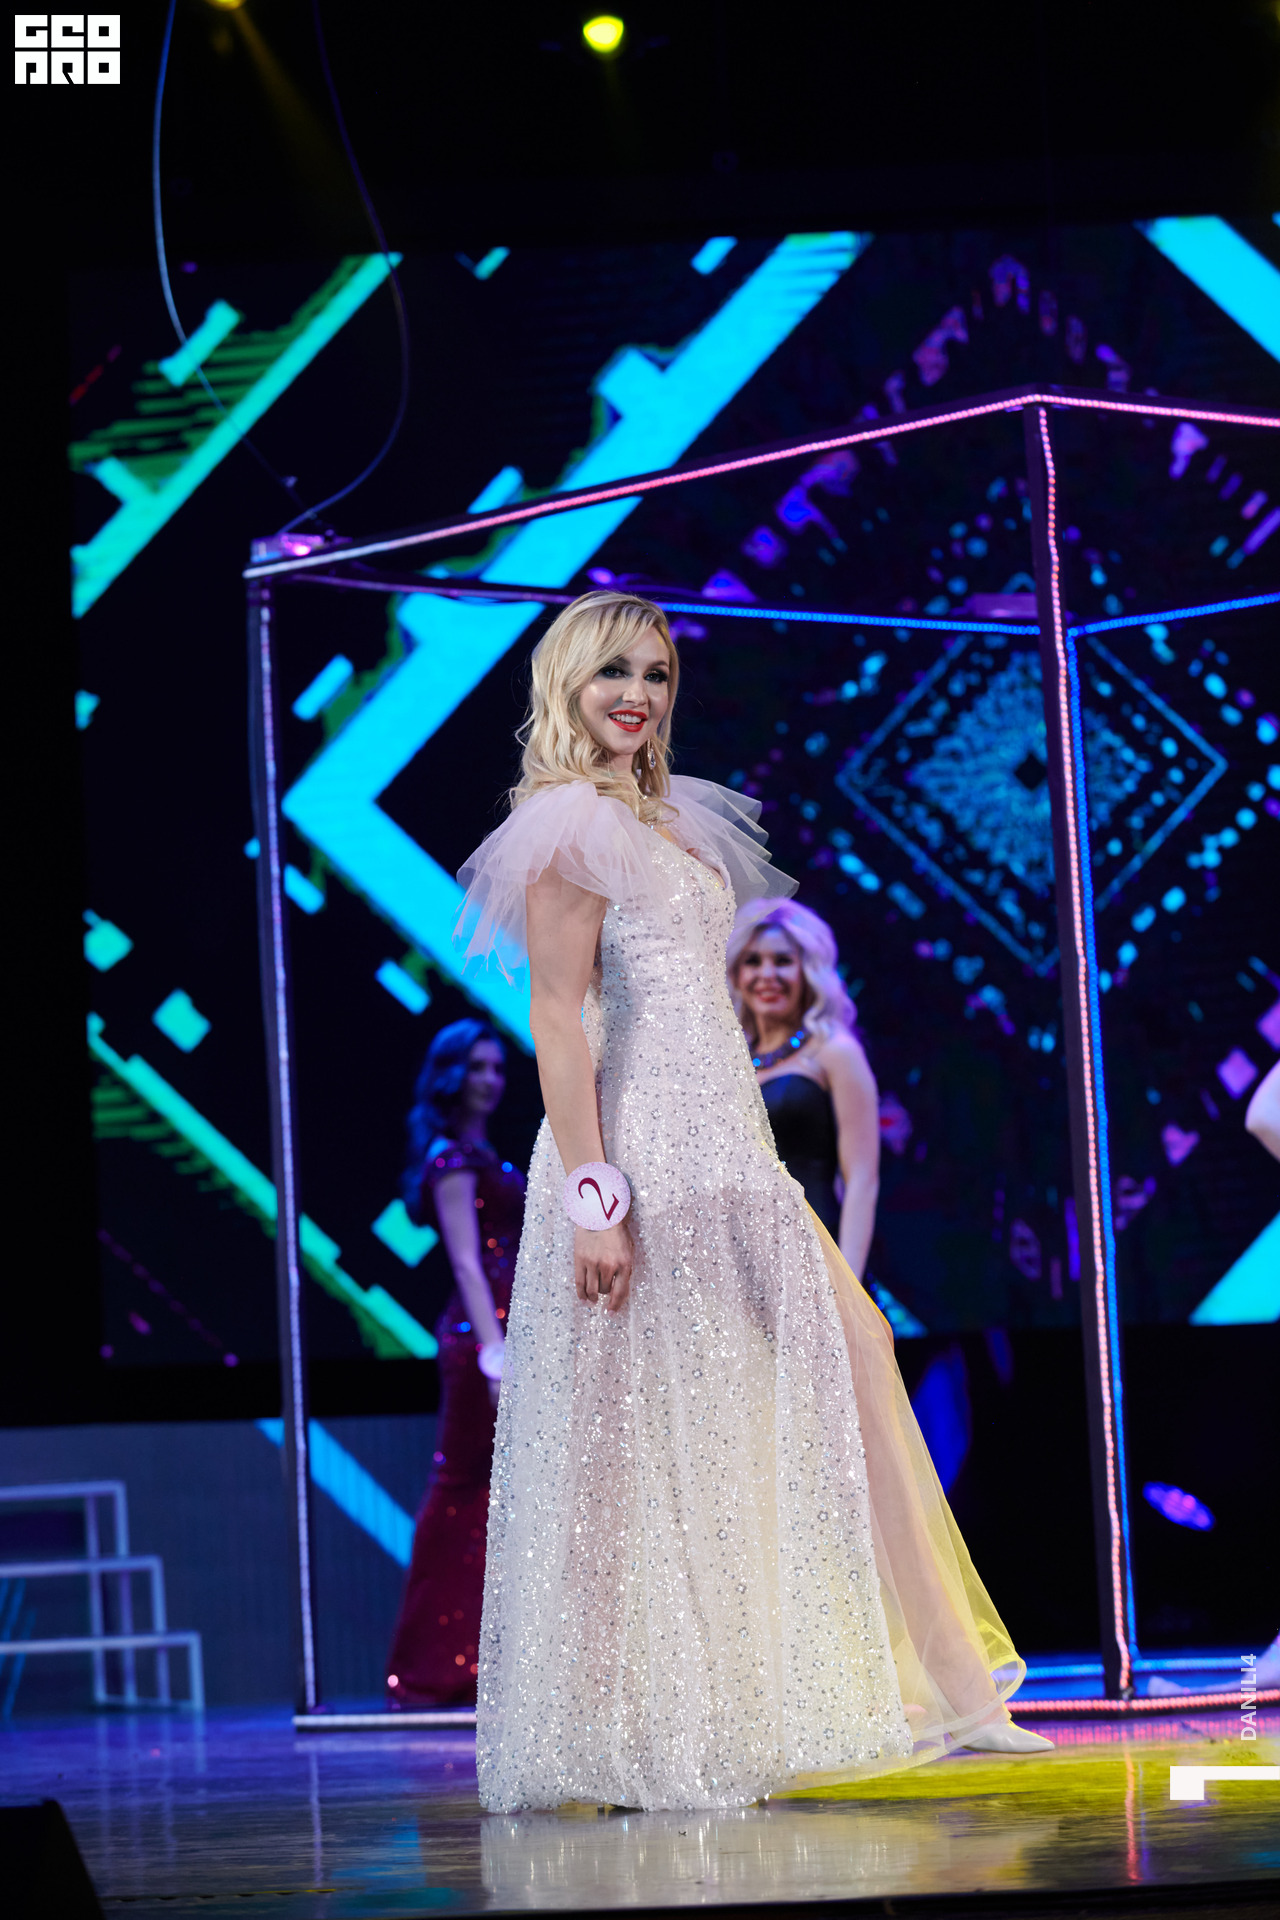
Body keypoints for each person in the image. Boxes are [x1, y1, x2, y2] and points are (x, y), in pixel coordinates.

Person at [456, 590, 1048, 1811]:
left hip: (733, 1149)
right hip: (643, 1159)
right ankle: (654, 1729)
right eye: (613, 672)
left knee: (846, 1361)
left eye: (655, 674)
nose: (636, 695)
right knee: (649, 1433)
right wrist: (593, 1197)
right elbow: (558, 1018)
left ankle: (955, 1693)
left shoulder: (675, 816)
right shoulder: (564, 823)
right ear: (566, 683)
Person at [385, 1020, 525, 1709]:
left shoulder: (480, 1150)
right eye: (476, 1067)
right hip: (481, 1342)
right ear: (450, 1075)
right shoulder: (451, 1160)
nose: (490, 1080)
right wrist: (496, 1356)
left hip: (503, 1332)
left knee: (491, 1494)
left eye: (496, 1067)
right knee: (460, 1487)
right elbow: (468, 1262)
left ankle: (476, 1660)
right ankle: (431, 1667)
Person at [728, 899, 879, 1281]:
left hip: (811, 1262)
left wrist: (847, 1288)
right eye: (753, 961)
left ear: (807, 970)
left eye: (782, 961)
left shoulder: (834, 1052)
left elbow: (862, 1179)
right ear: (736, 973)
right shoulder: (730, 1060)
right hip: (736, 1265)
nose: (767, 974)